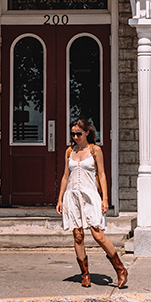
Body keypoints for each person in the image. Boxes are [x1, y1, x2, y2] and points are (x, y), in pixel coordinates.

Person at [56, 117, 128, 289]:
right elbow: (65, 176)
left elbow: (102, 175)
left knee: (98, 235)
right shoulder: (69, 151)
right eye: (73, 134)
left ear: (87, 132)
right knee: (78, 235)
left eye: (78, 134)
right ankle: (85, 274)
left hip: (90, 196)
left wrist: (105, 199)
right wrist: (60, 199)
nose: (75, 137)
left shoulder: (95, 150)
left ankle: (120, 269)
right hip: (73, 196)